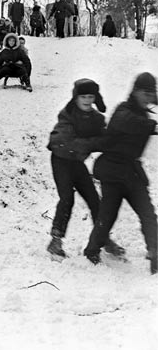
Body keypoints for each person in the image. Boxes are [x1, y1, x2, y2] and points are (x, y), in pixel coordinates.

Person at [84, 72, 158, 274]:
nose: (148, 98)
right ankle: (91, 251)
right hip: (113, 172)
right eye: (144, 93)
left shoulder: (144, 110)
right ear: (135, 92)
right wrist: (154, 125)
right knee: (107, 216)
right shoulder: (123, 111)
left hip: (133, 173)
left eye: (151, 94)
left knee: (148, 214)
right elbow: (130, 123)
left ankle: (156, 255)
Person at [46, 79, 124, 259]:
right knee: (67, 199)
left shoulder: (96, 119)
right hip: (61, 161)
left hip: (76, 163)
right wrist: (96, 143)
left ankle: (103, 239)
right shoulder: (67, 115)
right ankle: (55, 241)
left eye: (91, 96)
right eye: (83, 96)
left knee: (95, 201)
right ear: (76, 97)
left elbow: (107, 137)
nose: (87, 100)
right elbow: (67, 143)